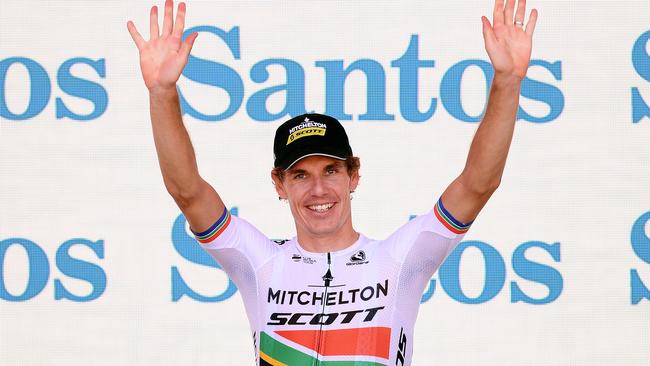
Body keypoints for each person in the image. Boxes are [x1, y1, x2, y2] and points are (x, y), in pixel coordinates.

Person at [127, 0, 538, 365]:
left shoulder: (398, 260)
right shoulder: (259, 264)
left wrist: (507, 82)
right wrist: (162, 91)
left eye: (331, 171)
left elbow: (478, 185)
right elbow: (186, 190)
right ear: (279, 184)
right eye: (300, 175)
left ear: (353, 175)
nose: (318, 190)